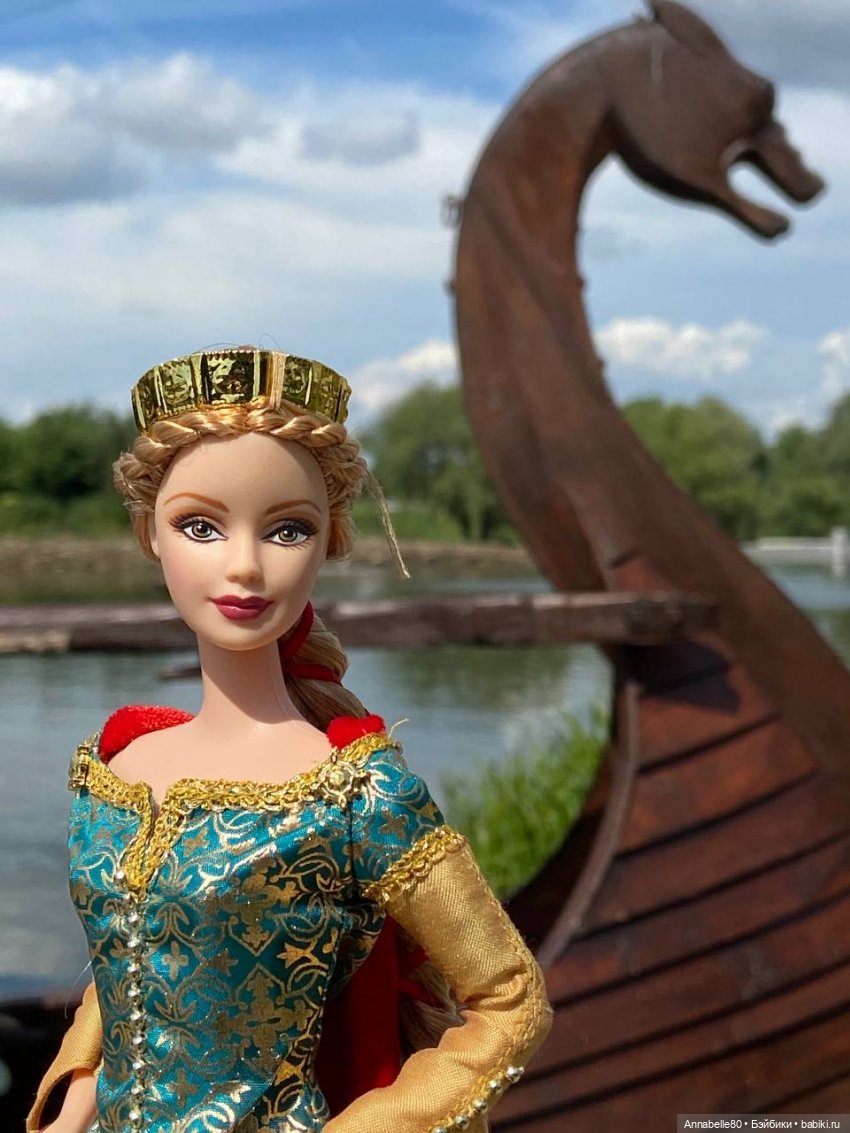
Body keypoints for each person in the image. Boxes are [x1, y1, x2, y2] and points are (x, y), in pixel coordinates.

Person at [26, 347, 553, 1133]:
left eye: (287, 529)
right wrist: (76, 1092)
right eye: (200, 526)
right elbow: (136, 952)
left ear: (329, 539)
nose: (243, 565)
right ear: (149, 533)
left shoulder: (355, 793)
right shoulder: (121, 762)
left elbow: (511, 1000)